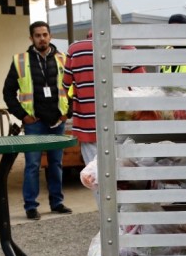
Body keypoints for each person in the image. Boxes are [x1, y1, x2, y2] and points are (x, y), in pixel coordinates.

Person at [3, 20, 72, 220]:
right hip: (35, 122)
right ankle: (31, 206)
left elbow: (73, 88)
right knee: (32, 165)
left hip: (57, 121)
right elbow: (8, 93)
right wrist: (23, 116)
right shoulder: (20, 60)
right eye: (37, 35)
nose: (42, 38)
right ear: (31, 38)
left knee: (56, 164)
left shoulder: (64, 59)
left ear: (50, 36)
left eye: (45, 35)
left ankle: (57, 203)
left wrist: (69, 113)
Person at [62, 30, 146, 166]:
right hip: (120, 124)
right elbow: (142, 88)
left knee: (94, 176)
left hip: (87, 127)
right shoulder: (128, 49)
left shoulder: (74, 50)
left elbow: (65, 87)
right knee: (121, 175)